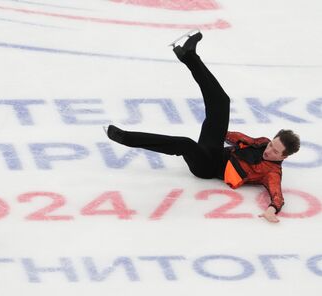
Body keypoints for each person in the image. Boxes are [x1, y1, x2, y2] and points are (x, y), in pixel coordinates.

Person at [106, 31, 300, 223]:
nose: (269, 150)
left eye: (275, 151)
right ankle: (189, 56)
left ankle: (125, 138)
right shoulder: (264, 143)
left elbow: (277, 195)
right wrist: (218, 128)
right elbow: (242, 139)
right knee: (221, 103)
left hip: (208, 168)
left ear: (284, 157)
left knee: (185, 144)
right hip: (214, 150)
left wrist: (271, 210)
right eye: (271, 145)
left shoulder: (272, 172)